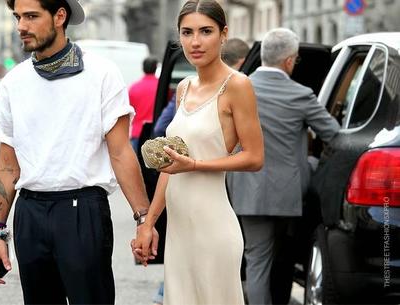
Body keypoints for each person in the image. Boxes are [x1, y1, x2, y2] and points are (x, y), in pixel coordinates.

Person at [0, 0, 157, 304]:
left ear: (59, 16)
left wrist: (144, 219)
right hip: (30, 214)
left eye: (31, 16)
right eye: (17, 17)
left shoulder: (101, 73)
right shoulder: (13, 82)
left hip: (83, 211)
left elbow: (120, 152)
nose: (21, 26)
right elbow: (6, 165)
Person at [132, 1, 264, 304]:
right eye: (187, 32)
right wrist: (149, 223)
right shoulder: (184, 88)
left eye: (206, 31)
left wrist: (194, 164)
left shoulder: (238, 85)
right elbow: (171, 166)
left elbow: (255, 157)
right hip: (179, 233)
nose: (195, 41)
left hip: (213, 228)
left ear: (223, 34)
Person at [226, 28, 340, 305]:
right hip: (288, 193)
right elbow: (334, 134)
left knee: (256, 260)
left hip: (247, 188)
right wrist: (311, 161)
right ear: (289, 60)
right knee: (285, 256)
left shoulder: (237, 88)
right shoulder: (301, 94)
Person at [129, 56, 159, 153]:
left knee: (137, 166)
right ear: (156, 68)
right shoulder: (161, 87)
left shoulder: (134, 87)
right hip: (156, 133)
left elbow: (129, 111)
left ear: (143, 68)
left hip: (138, 132)